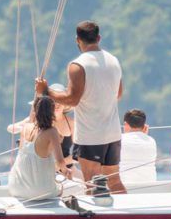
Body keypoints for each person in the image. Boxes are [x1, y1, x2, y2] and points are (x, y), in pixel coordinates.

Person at [36, 20, 124, 194]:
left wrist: (46, 91)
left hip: (90, 135)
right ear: (99, 38)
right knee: (114, 181)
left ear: (77, 40)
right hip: (113, 132)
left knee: (91, 183)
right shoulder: (114, 61)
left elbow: (72, 99)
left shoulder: (78, 65)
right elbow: (118, 94)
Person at [8, 96, 67, 200]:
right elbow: (60, 163)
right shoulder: (52, 132)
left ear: (35, 110)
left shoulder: (25, 127)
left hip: (16, 187)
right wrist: (67, 172)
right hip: (41, 191)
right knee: (70, 186)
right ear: (52, 112)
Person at [120, 108, 158, 186]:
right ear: (144, 126)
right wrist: (144, 135)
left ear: (125, 124)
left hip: (125, 186)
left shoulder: (119, 140)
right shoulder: (151, 141)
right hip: (149, 186)